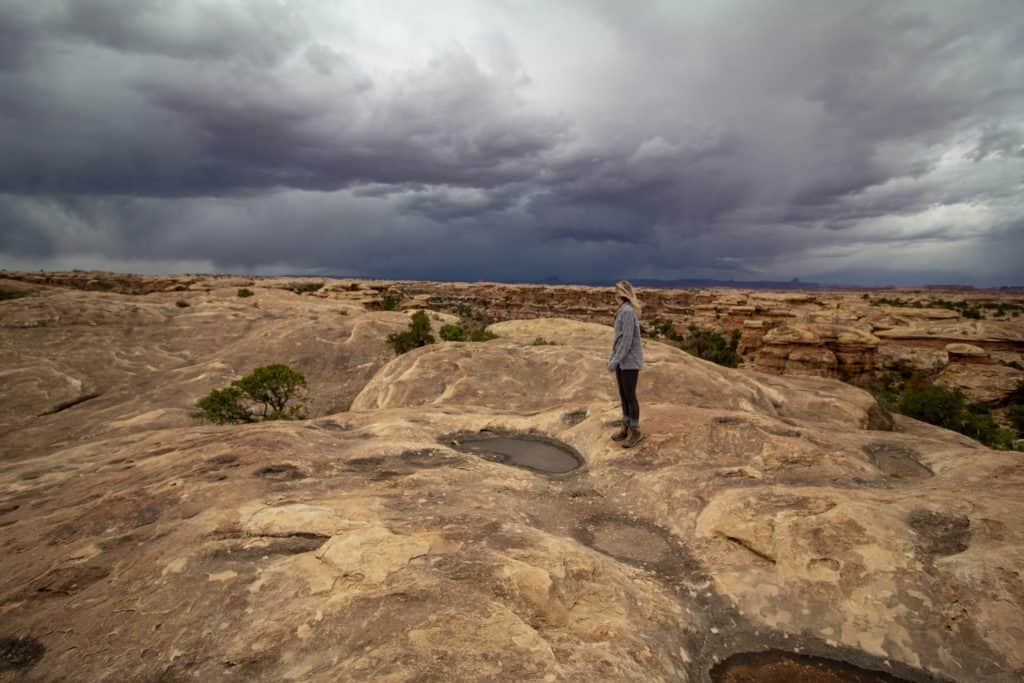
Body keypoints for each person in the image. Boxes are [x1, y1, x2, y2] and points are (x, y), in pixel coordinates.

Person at [607, 280, 644, 448]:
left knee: (630, 395)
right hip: (622, 361)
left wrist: (615, 360)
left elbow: (627, 340)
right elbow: (619, 339)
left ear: (620, 293)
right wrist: (614, 358)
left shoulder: (627, 312)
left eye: (615, 292)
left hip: (630, 361)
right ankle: (626, 426)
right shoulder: (622, 310)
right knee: (623, 395)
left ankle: (636, 431)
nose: (614, 296)